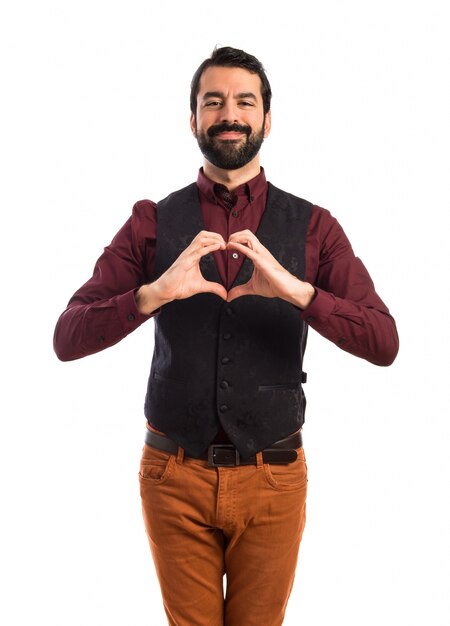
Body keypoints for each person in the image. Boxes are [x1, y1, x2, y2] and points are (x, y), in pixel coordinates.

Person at [54, 46, 399, 626]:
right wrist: (152, 295)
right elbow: (68, 336)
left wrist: (300, 294)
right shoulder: (150, 222)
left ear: (267, 118)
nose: (229, 113)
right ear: (193, 119)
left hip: (274, 478)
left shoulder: (316, 227)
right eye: (213, 102)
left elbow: (384, 342)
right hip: (172, 477)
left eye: (245, 101)